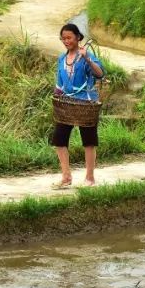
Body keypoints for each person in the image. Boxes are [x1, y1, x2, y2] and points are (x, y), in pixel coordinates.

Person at [51, 22, 104, 188]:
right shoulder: (62, 58)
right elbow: (60, 84)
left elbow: (99, 74)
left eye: (69, 38)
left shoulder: (85, 56)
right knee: (59, 138)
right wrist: (56, 95)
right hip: (66, 104)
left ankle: (90, 177)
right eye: (63, 38)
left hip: (85, 102)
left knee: (88, 140)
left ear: (78, 38)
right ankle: (66, 176)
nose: (66, 41)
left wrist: (87, 58)